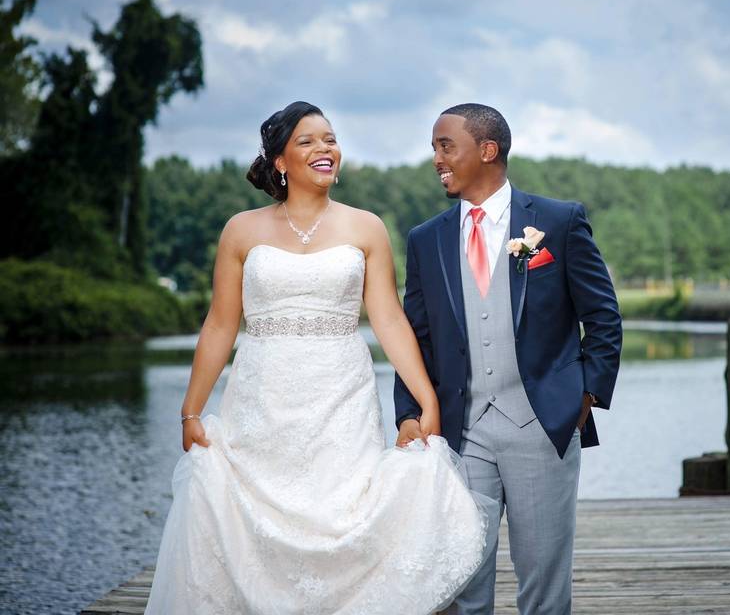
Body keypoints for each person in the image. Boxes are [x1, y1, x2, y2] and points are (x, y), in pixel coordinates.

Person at [145, 101, 491, 615]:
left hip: (341, 397)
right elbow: (220, 323)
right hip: (262, 398)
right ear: (280, 162)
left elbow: (389, 319)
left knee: (344, 516)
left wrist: (425, 398)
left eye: (329, 139)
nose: (324, 149)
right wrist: (191, 410)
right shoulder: (241, 230)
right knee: (253, 522)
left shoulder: (366, 227)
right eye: (308, 141)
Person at [394, 103, 622, 615]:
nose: (436, 158)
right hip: (462, 432)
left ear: (487, 150)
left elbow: (603, 319)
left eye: (445, 145)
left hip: (542, 427)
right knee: (461, 583)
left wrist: (584, 397)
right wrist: (409, 413)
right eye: (434, 147)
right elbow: (417, 339)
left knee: (543, 587)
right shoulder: (425, 240)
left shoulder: (559, 223)